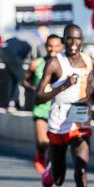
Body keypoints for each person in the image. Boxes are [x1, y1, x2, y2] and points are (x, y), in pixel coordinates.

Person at [36, 24, 94, 187]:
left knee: (81, 171)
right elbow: (38, 97)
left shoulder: (89, 61)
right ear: (63, 41)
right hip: (58, 124)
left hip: (80, 122)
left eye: (77, 39)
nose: (73, 43)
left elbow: (92, 87)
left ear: (82, 41)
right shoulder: (55, 63)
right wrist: (61, 87)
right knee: (60, 178)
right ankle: (51, 170)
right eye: (69, 39)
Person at [25, 34, 64, 177]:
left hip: (59, 109)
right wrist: (34, 89)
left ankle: (49, 175)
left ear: (62, 47)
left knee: (53, 146)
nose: (52, 50)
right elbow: (25, 80)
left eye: (56, 46)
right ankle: (40, 154)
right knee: (43, 143)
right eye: (49, 46)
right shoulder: (37, 63)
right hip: (41, 107)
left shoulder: (65, 65)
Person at [0, 34, 35, 112]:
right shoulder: (27, 45)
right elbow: (24, 59)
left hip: (3, 55)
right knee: (20, 80)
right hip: (11, 57)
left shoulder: (13, 40)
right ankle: (13, 103)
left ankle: (12, 102)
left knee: (13, 79)